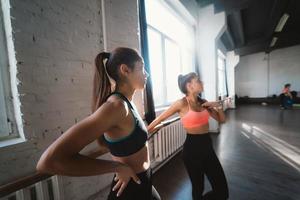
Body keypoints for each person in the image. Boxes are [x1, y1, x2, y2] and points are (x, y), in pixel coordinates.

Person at [36, 47, 160, 200]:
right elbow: (49, 162)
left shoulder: (128, 102)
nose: (146, 74)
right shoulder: (116, 107)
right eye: (142, 68)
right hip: (130, 189)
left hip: (144, 180)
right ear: (125, 70)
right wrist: (118, 167)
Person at [148, 72, 229, 200]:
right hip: (192, 150)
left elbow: (222, 120)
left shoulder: (204, 103)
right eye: (198, 81)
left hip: (207, 147)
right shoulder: (181, 104)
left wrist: (217, 106)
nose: (202, 82)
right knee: (198, 189)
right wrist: (144, 131)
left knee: (222, 191)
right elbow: (160, 119)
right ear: (189, 85)